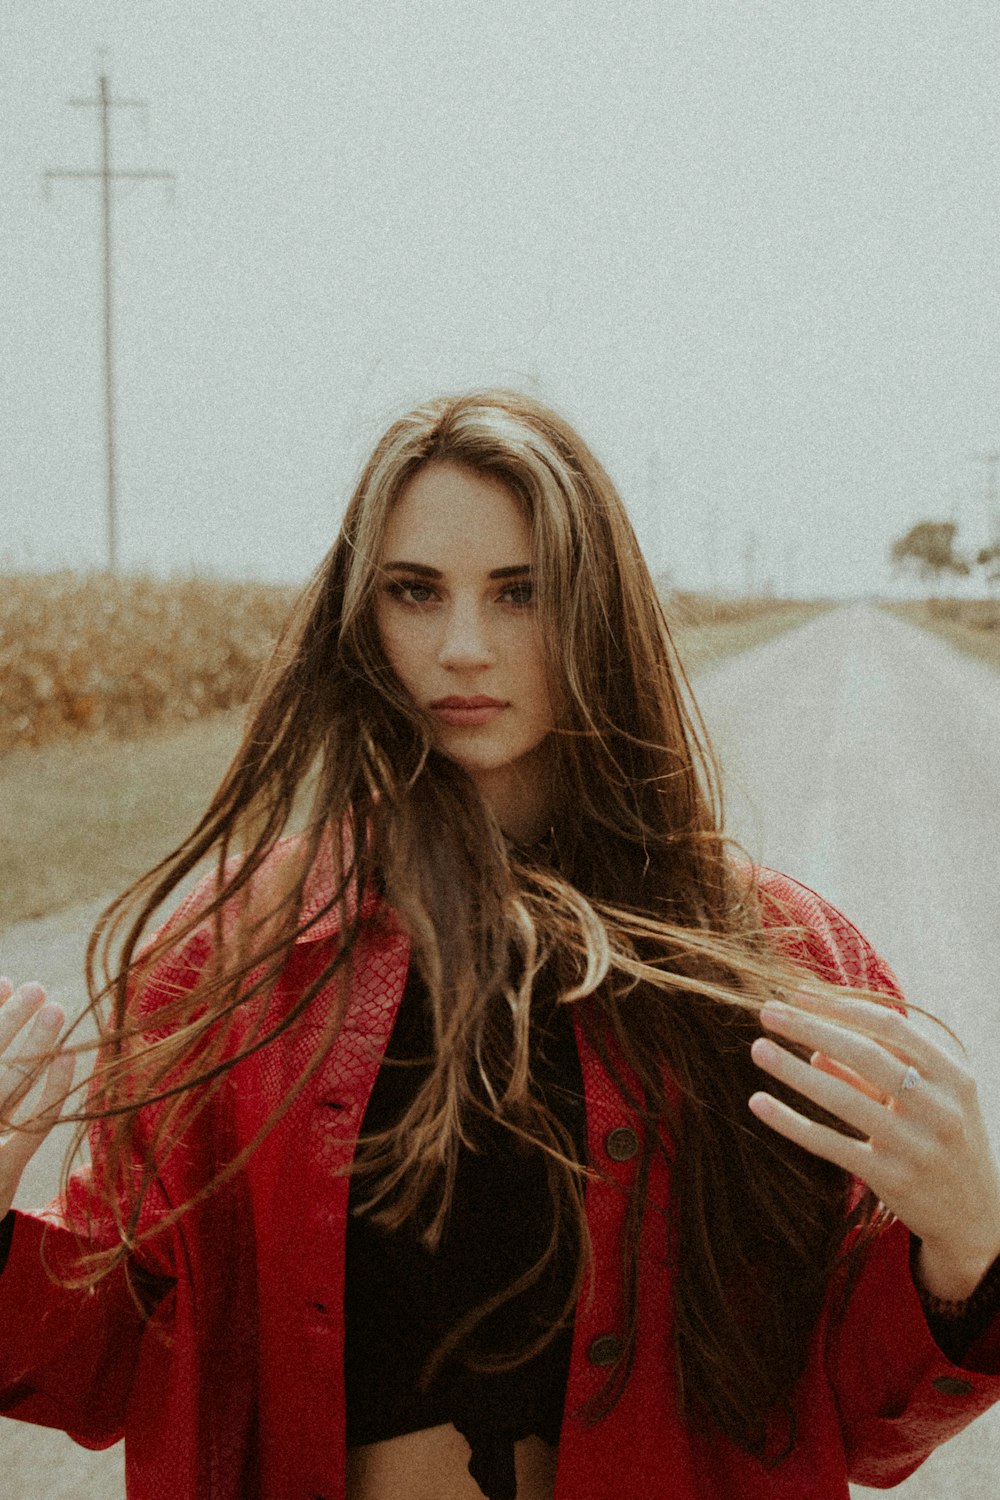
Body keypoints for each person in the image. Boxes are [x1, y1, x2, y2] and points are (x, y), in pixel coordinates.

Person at [1, 388, 999, 1500]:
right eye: (414, 593)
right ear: (361, 616)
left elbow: (858, 1423)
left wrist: (963, 1255)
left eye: (519, 593)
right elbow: (105, 1367)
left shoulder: (777, 959)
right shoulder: (230, 959)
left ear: (598, 607)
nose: (462, 648)